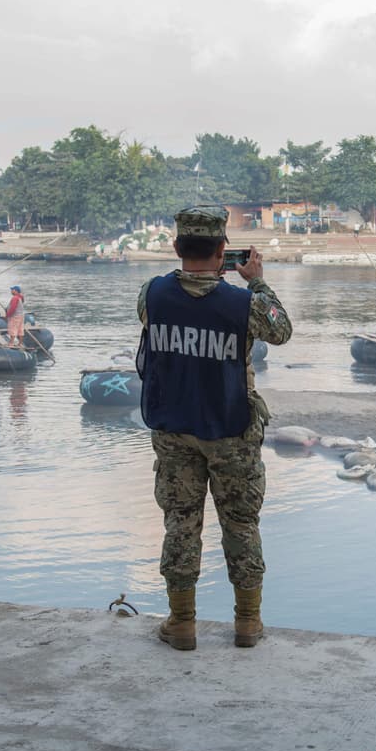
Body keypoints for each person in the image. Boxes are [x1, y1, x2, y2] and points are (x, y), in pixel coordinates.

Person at [137, 205, 292, 652]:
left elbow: (163, 318)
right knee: (241, 524)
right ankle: (247, 623)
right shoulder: (244, 304)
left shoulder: (152, 294)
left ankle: (182, 623)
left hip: (173, 429)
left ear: (176, 246)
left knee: (181, 523)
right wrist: (257, 280)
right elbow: (282, 331)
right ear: (224, 250)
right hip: (231, 432)